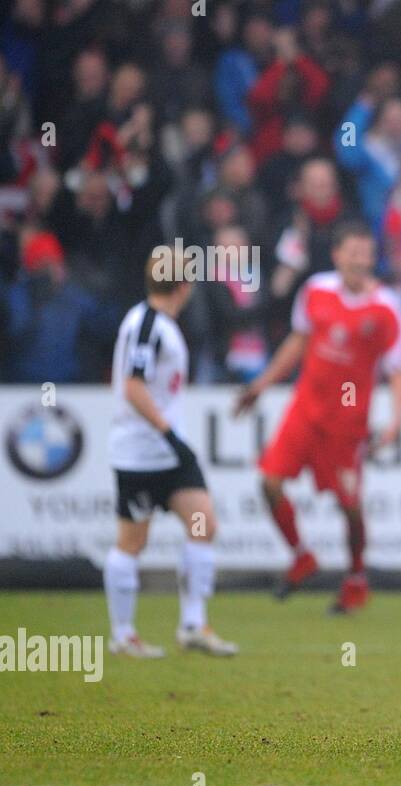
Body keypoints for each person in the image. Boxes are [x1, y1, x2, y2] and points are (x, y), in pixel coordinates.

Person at [234, 223, 401, 614]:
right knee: (269, 482)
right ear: (337, 255)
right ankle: (301, 556)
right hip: (305, 410)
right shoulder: (316, 290)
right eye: (353, 251)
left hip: (347, 425)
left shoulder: (386, 308)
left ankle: (356, 576)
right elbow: (298, 341)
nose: (359, 260)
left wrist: (396, 420)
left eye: (366, 253)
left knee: (349, 505)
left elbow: (399, 369)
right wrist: (261, 384)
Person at [103, 245, 238, 658]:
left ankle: (193, 625)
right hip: (141, 455)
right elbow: (133, 386)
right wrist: (169, 434)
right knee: (132, 541)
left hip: (167, 455)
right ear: (185, 285)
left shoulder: (158, 323)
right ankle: (124, 635)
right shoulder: (147, 324)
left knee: (202, 522)